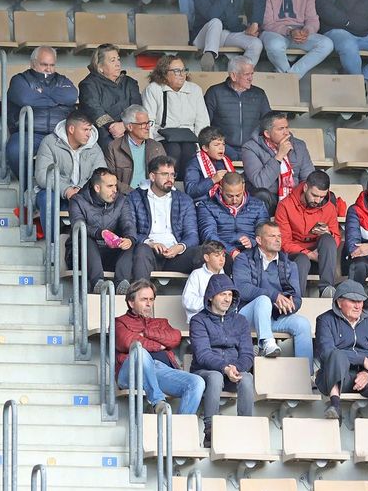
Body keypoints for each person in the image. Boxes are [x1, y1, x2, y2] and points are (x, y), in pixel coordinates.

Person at [114, 280, 203, 415]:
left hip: (161, 371)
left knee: (197, 382)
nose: (149, 304)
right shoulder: (120, 322)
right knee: (140, 351)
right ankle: (157, 402)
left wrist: (146, 333)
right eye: (144, 299)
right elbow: (127, 342)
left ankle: (178, 430)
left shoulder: (161, 322)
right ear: (131, 302)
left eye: (151, 299)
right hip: (132, 372)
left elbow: (175, 338)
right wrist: (159, 345)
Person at [231, 221, 314, 361]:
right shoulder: (243, 259)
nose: (277, 240)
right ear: (259, 240)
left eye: (279, 236)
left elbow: (297, 298)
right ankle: (267, 344)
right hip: (246, 315)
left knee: (303, 324)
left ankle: (306, 374)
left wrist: (287, 306)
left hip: (275, 316)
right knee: (263, 300)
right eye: (272, 236)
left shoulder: (289, 265)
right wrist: (274, 296)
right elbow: (242, 289)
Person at [313, 280, 368, 421]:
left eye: (361, 301)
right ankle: (335, 407)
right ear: (339, 302)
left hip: (364, 376)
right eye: (352, 301)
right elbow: (326, 352)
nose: (358, 306)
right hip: (336, 375)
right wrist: (362, 359)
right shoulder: (325, 320)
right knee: (336, 355)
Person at [187, 273, 255, 437]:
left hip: (232, 372)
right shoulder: (198, 320)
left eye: (230, 294)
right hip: (205, 372)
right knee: (216, 376)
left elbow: (247, 354)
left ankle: (246, 430)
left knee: (247, 378)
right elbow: (202, 354)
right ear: (211, 297)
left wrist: (235, 368)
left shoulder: (241, 321)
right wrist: (224, 368)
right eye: (223, 294)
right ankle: (210, 430)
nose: (227, 299)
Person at [127, 155, 202, 276]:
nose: (170, 179)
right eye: (164, 174)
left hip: (176, 254)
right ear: (152, 176)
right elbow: (129, 231)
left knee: (205, 253)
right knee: (142, 249)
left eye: (172, 174)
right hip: (149, 251)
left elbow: (192, 235)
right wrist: (150, 243)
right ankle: (141, 293)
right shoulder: (135, 198)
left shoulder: (184, 200)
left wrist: (180, 247)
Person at [6, 46, 79, 171]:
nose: (48, 69)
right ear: (33, 64)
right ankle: (26, 186)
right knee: (14, 150)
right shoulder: (20, 80)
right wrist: (56, 99)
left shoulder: (62, 80)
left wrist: (41, 93)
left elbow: (71, 96)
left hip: (60, 134)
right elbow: (26, 98)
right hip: (29, 134)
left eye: (52, 65)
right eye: (44, 64)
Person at [70, 167, 142, 289]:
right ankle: (97, 283)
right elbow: (78, 226)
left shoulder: (121, 200)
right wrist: (100, 233)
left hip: (111, 253)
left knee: (130, 242)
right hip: (82, 256)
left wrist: (129, 239)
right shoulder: (78, 200)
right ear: (97, 188)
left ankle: (122, 284)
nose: (115, 190)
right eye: (109, 186)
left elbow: (128, 224)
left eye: (115, 185)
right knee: (86, 238)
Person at [32, 111, 104, 231]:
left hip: (83, 193)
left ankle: (94, 243)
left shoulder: (94, 147)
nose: (89, 134)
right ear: (71, 129)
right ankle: (52, 245)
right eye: (85, 130)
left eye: (90, 130)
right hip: (56, 193)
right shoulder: (50, 142)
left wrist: (80, 189)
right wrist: (67, 190)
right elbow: (43, 175)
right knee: (47, 198)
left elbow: (101, 174)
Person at [275, 170, 345, 294]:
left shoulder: (329, 208)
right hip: (295, 255)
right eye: (314, 195)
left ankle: (326, 290)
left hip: (320, 255)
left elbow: (337, 239)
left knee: (328, 239)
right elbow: (283, 242)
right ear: (305, 187)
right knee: (302, 260)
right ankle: (297, 299)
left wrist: (328, 233)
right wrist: (311, 254)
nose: (317, 200)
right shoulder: (285, 205)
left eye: (322, 197)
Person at [143, 56, 210, 177]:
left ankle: (187, 186)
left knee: (190, 151)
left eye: (184, 70)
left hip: (189, 137)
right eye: (176, 71)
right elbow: (149, 120)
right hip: (162, 137)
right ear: (164, 73)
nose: (182, 74)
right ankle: (170, 182)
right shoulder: (153, 89)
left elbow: (202, 121)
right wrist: (150, 145)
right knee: (173, 150)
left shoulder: (195, 90)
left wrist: (201, 145)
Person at [240, 111, 316, 214]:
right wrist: (279, 156)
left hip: (295, 196)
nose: (286, 133)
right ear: (267, 133)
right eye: (281, 129)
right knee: (261, 195)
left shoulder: (299, 145)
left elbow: (309, 178)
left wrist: (298, 197)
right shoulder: (250, 148)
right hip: (271, 198)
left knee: (323, 194)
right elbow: (260, 183)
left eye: (286, 127)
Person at [202, 60, 271, 152]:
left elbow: (270, 122)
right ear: (233, 76)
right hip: (224, 148)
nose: (250, 78)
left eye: (252, 74)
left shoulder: (259, 94)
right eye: (247, 74)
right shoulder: (215, 92)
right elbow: (205, 124)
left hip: (252, 148)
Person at [79, 44, 142, 144]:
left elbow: (137, 107)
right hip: (104, 131)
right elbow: (94, 110)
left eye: (118, 59)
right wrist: (112, 126)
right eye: (112, 60)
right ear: (100, 67)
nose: (118, 64)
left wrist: (124, 125)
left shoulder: (130, 83)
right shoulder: (88, 84)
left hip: (129, 128)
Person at [198, 172, 267, 259]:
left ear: (243, 187)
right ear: (221, 189)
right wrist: (231, 251)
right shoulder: (207, 206)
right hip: (221, 253)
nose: (234, 200)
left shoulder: (258, 205)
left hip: (252, 251)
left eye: (238, 195)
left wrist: (252, 241)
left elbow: (265, 232)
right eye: (229, 196)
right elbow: (209, 235)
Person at [103, 105, 165, 193]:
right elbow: (110, 179)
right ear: (129, 127)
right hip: (125, 196)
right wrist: (132, 193)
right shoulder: (114, 147)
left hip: (151, 196)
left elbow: (164, 176)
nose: (148, 127)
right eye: (143, 124)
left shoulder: (156, 147)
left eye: (148, 123)